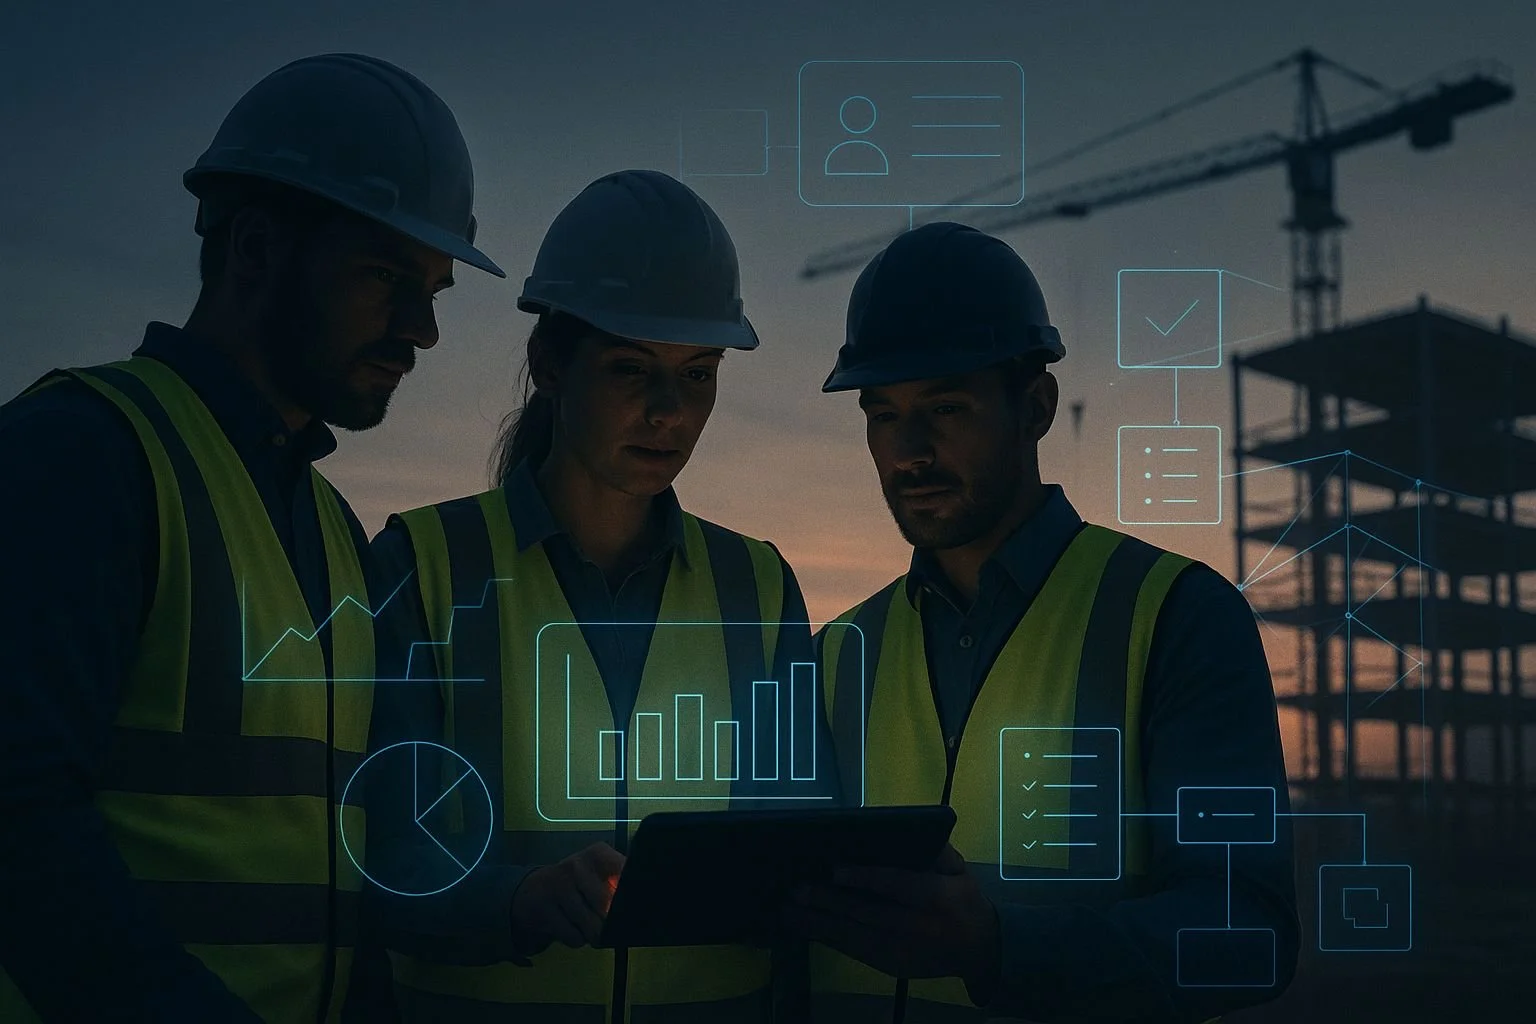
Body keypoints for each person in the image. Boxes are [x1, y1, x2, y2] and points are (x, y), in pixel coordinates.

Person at [0, 53, 503, 1023]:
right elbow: (20, 829)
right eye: (383, 278)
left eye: (434, 293)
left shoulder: (330, 531)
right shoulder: (77, 457)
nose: (420, 332)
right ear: (257, 250)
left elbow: (342, 861)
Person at [783, 222, 1299, 1022]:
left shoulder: (1177, 618)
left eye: (946, 406)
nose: (909, 451)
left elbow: (1247, 932)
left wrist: (998, 948)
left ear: (1037, 407)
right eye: (884, 415)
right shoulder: (834, 656)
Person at [365, 168, 838, 1024]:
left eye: (698, 376)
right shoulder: (422, 567)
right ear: (549, 362)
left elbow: (802, 845)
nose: (669, 413)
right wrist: (521, 900)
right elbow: (379, 859)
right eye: (632, 369)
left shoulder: (759, 587)